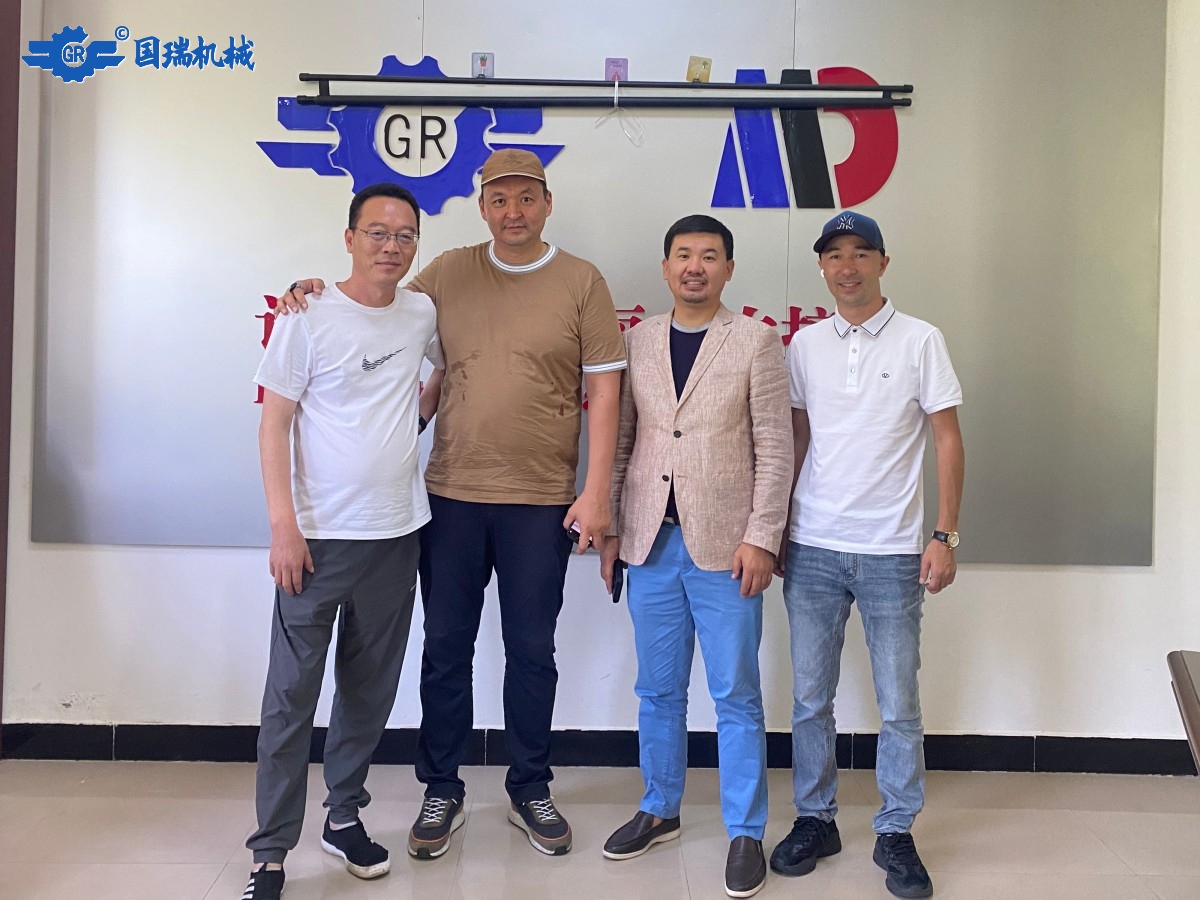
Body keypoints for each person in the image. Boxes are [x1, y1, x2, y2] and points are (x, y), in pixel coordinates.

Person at [277, 148, 626, 859]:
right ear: (482, 207)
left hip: (542, 499)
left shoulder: (581, 280)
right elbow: (377, 303)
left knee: (532, 650)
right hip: (450, 496)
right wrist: (309, 291)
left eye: (525, 198)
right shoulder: (447, 273)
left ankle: (530, 786)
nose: (513, 212)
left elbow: (606, 389)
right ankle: (442, 787)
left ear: (547, 204)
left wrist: (597, 494)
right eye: (499, 199)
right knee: (444, 649)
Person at [243, 183, 443, 900]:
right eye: (378, 232)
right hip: (317, 541)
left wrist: (413, 421)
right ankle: (271, 853)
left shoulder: (421, 312)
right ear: (350, 237)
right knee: (290, 698)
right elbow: (273, 424)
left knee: (368, 690)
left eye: (405, 235)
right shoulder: (307, 314)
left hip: (396, 534)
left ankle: (344, 816)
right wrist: (284, 528)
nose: (392, 246)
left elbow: (445, 372)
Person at [770, 211, 964, 899]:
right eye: (834, 255)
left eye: (860, 253)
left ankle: (896, 830)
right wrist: (780, 526)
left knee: (899, 702)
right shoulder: (805, 344)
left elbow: (947, 438)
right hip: (814, 546)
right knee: (809, 699)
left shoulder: (920, 339)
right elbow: (797, 437)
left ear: (883, 262)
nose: (847, 266)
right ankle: (815, 819)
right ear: (822, 267)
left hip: (892, 551)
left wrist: (944, 535)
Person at [599, 215, 792, 899]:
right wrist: (613, 533)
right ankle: (660, 807)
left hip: (727, 548)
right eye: (683, 254)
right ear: (665, 266)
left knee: (735, 694)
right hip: (651, 543)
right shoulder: (639, 339)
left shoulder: (756, 341)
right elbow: (623, 441)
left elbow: (775, 449)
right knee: (657, 690)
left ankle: (745, 830)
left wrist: (762, 537)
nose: (695, 267)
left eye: (710, 256)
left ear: (728, 269)